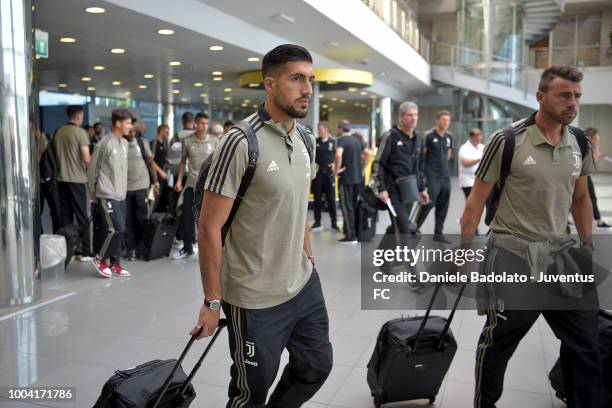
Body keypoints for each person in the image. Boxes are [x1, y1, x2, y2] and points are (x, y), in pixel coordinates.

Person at [191, 44, 332, 407]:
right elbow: (208, 228)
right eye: (296, 79)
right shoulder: (240, 142)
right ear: (270, 84)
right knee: (251, 392)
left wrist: (308, 257)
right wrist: (211, 301)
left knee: (317, 366)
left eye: (310, 80)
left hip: (302, 284)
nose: (307, 89)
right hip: (253, 297)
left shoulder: (305, 139)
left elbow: (298, 204)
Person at [460, 65, 602, 408]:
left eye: (577, 96)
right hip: (512, 254)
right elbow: (475, 204)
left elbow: (581, 199)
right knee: (499, 343)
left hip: (562, 256)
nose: (573, 103)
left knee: (586, 341)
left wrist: (588, 250)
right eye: (564, 95)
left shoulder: (579, 141)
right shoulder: (507, 140)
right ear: (540, 97)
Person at [372, 101, 429, 237]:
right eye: (410, 115)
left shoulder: (419, 139)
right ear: (401, 118)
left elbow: (419, 167)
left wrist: (421, 189)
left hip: (410, 190)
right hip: (393, 191)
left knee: (398, 226)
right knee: (403, 228)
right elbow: (378, 163)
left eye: (416, 115)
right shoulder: (390, 136)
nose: (414, 118)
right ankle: (405, 258)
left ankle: (381, 256)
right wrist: (382, 189)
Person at [88, 109, 132, 278]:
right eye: (127, 123)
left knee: (122, 229)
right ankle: (100, 259)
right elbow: (93, 170)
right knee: (117, 229)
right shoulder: (104, 144)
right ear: (118, 123)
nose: (130, 126)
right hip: (107, 193)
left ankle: (115, 264)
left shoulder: (124, 143)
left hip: (121, 194)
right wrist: (92, 192)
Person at [173, 112, 218, 260]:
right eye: (202, 123)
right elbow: (182, 162)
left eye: (206, 123)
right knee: (187, 217)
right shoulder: (187, 141)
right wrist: (179, 180)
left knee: (208, 220)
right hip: (191, 185)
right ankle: (187, 248)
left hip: (209, 188)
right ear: (195, 124)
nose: (204, 126)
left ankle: (210, 250)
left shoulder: (214, 141)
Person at [52, 105, 92, 261]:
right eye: (81, 116)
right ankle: (86, 252)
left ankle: (68, 250)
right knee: (83, 216)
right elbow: (86, 158)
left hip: (61, 180)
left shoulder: (59, 132)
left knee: (65, 217)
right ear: (78, 116)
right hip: (77, 180)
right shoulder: (80, 133)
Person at [124, 127, 158, 261]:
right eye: (130, 131)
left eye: (134, 131)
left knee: (141, 218)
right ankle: (130, 249)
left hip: (142, 186)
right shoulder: (120, 143)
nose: (132, 133)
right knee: (127, 220)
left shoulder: (142, 143)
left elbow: (150, 162)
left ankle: (141, 247)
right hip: (125, 188)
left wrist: (155, 183)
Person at [423, 110, 454, 243]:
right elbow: (422, 156)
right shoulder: (428, 135)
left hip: (445, 176)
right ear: (437, 120)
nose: (446, 122)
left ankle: (438, 233)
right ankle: (413, 229)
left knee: (443, 204)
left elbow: (449, 153)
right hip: (431, 176)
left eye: (448, 120)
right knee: (428, 203)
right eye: (443, 120)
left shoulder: (449, 136)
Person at [334, 119, 365, 243]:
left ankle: (351, 235)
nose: (337, 130)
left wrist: (336, 170)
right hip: (358, 179)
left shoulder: (342, 140)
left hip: (346, 179)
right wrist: (361, 169)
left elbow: (338, 155)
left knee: (347, 207)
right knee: (354, 205)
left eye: (338, 127)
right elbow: (367, 154)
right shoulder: (357, 140)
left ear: (341, 128)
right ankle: (353, 231)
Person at [311, 121, 338, 231]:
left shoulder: (333, 142)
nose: (319, 131)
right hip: (318, 173)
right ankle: (317, 222)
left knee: (331, 198)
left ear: (326, 129)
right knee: (317, 198)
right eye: (318, 129)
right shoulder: (316, 142)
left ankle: (334, 222)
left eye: (320, 129)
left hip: (329, 174)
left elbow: (339, 156)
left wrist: (335, 165)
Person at [584, 127, 610, 228]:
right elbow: (594, 160)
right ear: (593, 136)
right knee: (592, 198)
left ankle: (564, 220)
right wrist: (597, 145)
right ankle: (599, 221)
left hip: (583, 175)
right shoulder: (589, 146)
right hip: (584, 176)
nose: (599, 137)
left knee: (573, 198)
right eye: (597, 135)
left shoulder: (586, 145)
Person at [458, 128, 484, 199]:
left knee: (478, 202)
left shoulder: (482, 147)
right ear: (473, 136)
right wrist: (480, 159)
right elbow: (465, 163)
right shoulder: (464, 148)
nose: (480, 137)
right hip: (468, 181)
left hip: (479, 180)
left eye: (481, 135)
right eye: (478, 135)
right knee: (471, 202)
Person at [151, 124, 170, 212]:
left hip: (163, 175)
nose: (168, 134)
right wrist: (160, 172)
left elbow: (162, 157)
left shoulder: (164, 143)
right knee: (152, 197)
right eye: (166, 132)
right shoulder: (154, 143)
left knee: (161, 197)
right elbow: (150, 161)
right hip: (155, 175)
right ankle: (148, 216)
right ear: (161, 131)